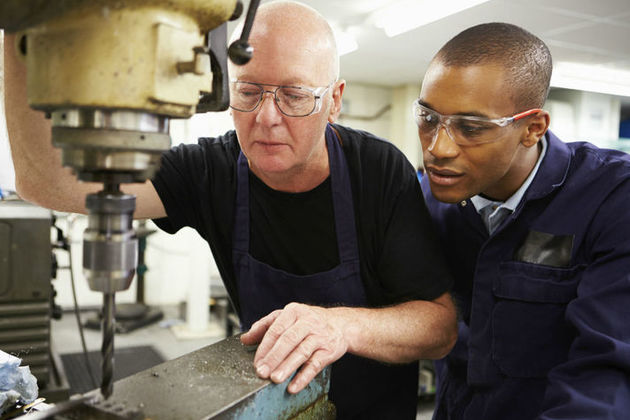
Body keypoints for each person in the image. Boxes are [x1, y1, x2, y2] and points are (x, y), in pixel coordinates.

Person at [4, 2, 457, 418]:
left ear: (333, 100)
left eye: (294, 95)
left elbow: (439, 328)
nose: (266, 117)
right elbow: (47, 184)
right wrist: (21, 26)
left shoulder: (377, 171)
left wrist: (339, 325)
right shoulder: (211, 168)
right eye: (250, 91)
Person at [417, 22, 630, 419]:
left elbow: (606, 369)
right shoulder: (431, 201)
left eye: (471, 127)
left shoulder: (612, 199)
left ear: (532, 128)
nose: (437, 148)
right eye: (428, 118)